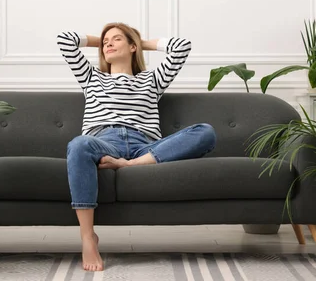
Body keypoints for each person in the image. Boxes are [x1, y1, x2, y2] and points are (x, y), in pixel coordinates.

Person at [56, 22, 216, 271]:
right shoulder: (91, 77)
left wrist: (138, 41)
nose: (108, 43)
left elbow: (181, 47)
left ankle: (129, 165)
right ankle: (88, 237)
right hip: (104, 142)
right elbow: (65, 40)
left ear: (133, 47)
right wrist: (106, 41)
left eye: (116, 39)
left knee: (205, 132)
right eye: (105, 41)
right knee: (78, 145)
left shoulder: (152, 80)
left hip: (146, 146)